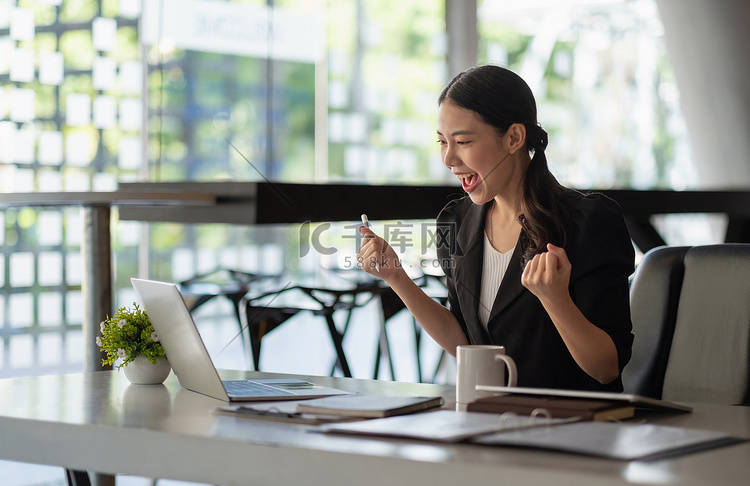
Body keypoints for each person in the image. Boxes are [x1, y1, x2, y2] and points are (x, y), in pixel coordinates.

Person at [357, 65, 634, 392]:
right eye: (442, 142)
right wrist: (396, 276)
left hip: (572, 428)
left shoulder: (589, 221)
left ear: (514, 138)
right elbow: (465, 342)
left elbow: (606, 368)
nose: (448, 158)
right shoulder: (454, 221)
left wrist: (555, 299)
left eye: (462, 141)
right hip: (490, 420)